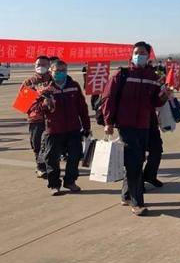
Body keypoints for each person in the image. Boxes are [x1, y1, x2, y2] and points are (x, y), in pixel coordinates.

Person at [102, 41, 169, 216]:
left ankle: (126, 195)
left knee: (137, 160)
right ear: (132, 55)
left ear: (148, 56)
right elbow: (109, 98)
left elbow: (155, 101)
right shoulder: (122, 74)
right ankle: (137, 202)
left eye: (143, 53)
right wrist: (108, 122)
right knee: (134, 162)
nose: (140, 55)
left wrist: (164, 95)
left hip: (144, 125)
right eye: (137, 52)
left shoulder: (153, 76)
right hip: (126, 124)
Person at [37, 60, 91, 195]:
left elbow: (82, 108)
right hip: (53, 130)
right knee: (51, 158)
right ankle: (54, 184)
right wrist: (46, 102)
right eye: (57, 71)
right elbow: (36, 109)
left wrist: (86, 126)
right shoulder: (45, 88)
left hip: (73, 128)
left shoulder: (74, 86)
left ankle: (70, 181)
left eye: (63, 70)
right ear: (51, 71)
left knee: (74, 156)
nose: (61, 73)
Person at [23, 55, 52, 178]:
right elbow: (23, 104)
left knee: (52, 144)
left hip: (53, 118)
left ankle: (50, 165)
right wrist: (39, 103)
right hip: (36, 119)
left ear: (49, 66)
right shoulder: (29, 82)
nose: (40, 67)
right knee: (37, 144)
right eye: (38, 64)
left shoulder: (54, 81)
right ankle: (40, 167)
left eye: (43, 64)